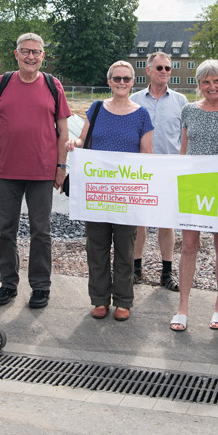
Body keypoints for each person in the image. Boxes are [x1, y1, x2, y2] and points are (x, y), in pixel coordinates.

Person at [0, 33, 71, 309]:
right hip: (8, 171)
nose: (31, 57)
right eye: (25, 51)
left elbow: (63, 131)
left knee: (41, 232)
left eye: (36, 52)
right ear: (16, 54)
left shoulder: (52, 85)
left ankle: (40, 286)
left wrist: (61, 167)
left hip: (42, 172)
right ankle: (8, 283)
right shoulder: (2, 83)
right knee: (6, 231)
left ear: (43, 56)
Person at [67, 61, 153, 321]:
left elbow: (147, 154)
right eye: (117, 78)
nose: (122, 82)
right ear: (109, 81)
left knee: (126, 249)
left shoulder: (141, 115)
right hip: (97, 192)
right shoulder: (96, 109)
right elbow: (85, 141)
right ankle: (100, 299)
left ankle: (124, 300)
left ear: (133, 81)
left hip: (126, 194)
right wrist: (75, 143)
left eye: (127, 79)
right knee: (97, 247)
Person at [170, 59, 218, 332]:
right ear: (199, 84)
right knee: (189, 246)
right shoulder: (189, 110)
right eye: (205, 81)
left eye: (216, 81)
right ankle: (182, 307)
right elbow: (184, 149)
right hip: (193, 185)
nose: (211, 86)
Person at [129, 51, 187, 291]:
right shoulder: (134, 99)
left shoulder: (181, 102)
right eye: (160, 68)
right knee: (139, 222)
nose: (164, 72)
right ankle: (136, 269)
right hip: (141, 170)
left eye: (168, 68)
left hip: (168, 171)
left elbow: (184, 137)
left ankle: (166, 272)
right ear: (148, 70)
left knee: (166, 222)